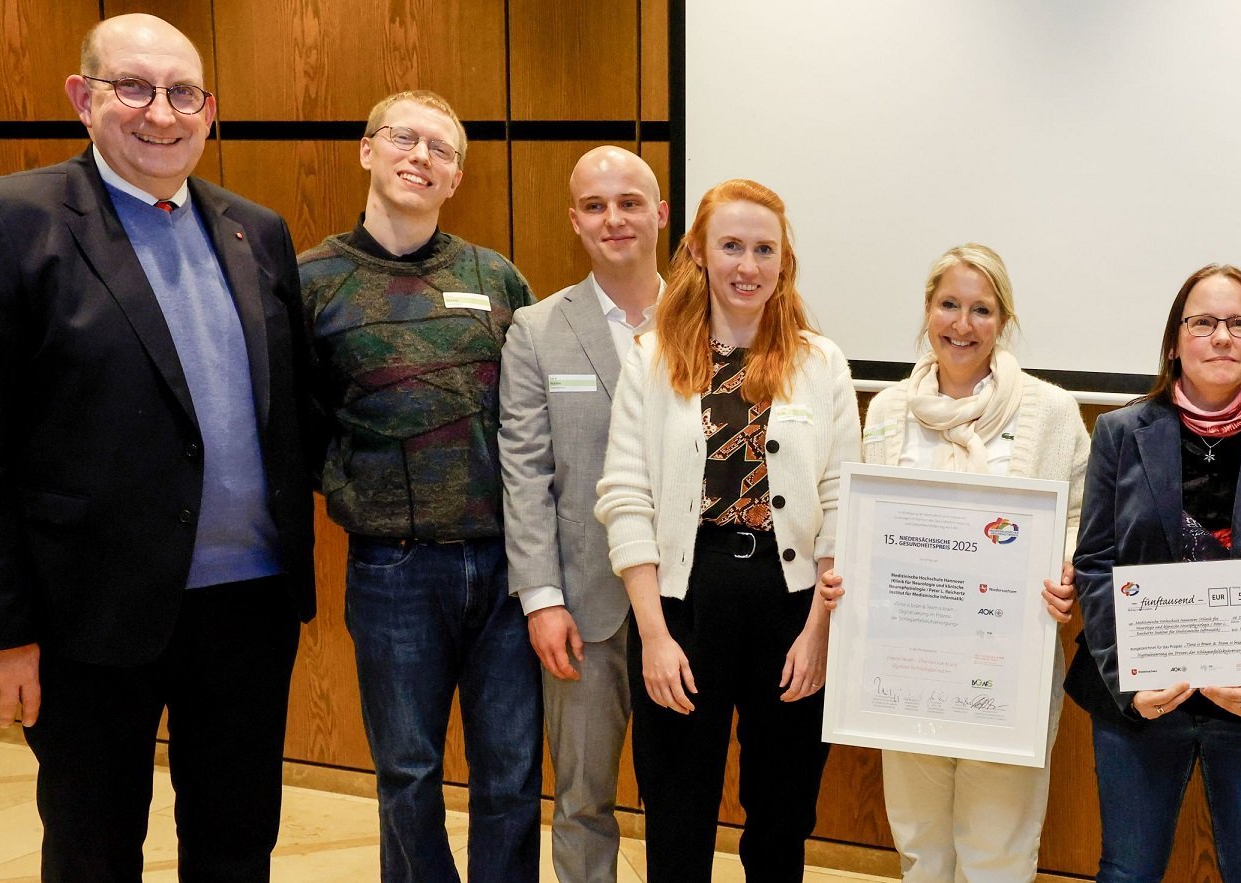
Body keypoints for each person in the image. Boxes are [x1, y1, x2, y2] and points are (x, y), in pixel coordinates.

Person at [0, 13, 314, 879]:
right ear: (82, 97)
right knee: (94, 851)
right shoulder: (1, 222)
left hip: (248, 607)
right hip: (84, 616)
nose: (161, 115)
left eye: (184, 94)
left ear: (210, 109)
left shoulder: (257, 229)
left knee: (239, 842)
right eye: (133, 87)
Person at [299, 90, 541, 882]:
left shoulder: (496, 278)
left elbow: (530, 414)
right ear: (367, 150)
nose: (420, 157)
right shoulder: (311, 282)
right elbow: (290, 423)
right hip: (393, 570)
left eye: (439, 149)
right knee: (407, 774)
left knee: (509, 776)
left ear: (456, 176)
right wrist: (356, 484)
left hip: (506, 570)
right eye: (403, 138)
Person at [594, 178, 860, 883]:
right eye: (732, 246)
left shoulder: (821, 362)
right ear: (701, 255)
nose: (748, 265)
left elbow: (841, 501)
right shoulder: (651, 357)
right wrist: (653, 635)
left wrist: (819, 631)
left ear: (784, 261)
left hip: (790, 604)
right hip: (685, 600)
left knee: (781, 813)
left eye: (764, 249)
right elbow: (625, 495)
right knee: (678, 809)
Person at [815, 244, 1089, 882]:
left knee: (999, 845)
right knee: (918, 839)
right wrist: (846, 571)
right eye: (949, 305)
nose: (962, 325)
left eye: (981, 310)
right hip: (905, 658)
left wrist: (1068, 566)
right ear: (927, 311)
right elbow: (866, 519)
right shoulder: (886, 412)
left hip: (1006, 662)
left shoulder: (1049, 412)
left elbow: (1078, 516)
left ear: (1003, 320)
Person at [1070, 264, 1241, 883]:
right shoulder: (1119, 433)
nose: (1221, 337)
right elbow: (1095, 563)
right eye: (1203, 323)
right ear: (1175, 340)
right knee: (1127, 870)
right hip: (1142, 702)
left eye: (1238, 324)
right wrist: (1129, 680)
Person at [499, 145, 668, 883]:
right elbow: (526, 474)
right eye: (595, 206)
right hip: (585, 610)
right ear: (573, 220)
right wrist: (541, 599)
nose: (614, 218)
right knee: (581, 798)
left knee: (679, 800)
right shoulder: (536, 331)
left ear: (660, 213)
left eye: (630, 201)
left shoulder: (712, 318)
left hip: (684, 609)